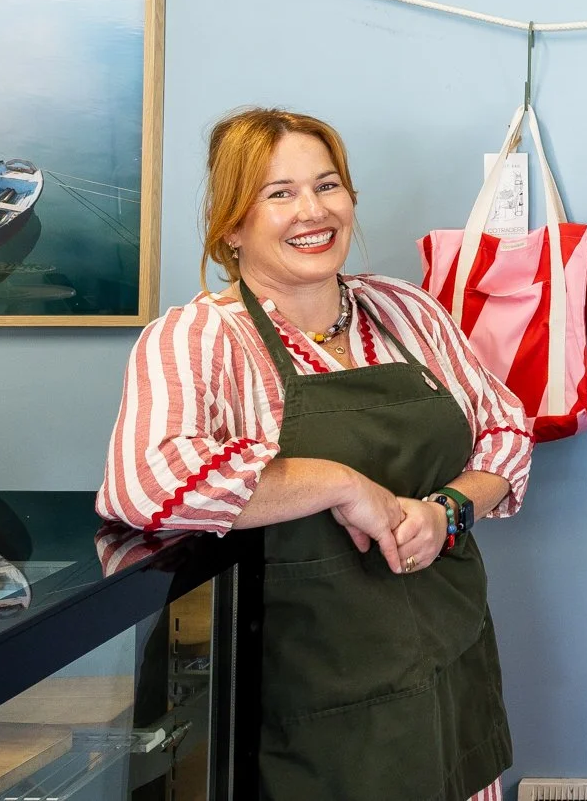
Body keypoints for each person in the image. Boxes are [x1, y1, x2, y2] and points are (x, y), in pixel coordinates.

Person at [98, 109, 533, 801]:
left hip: (442, 674)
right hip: (290, 708)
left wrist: (448, 510)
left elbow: (505, 433)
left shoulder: (407, 312)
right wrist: (336, 483)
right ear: (232, 225)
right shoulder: (199, 338)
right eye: (280, 193)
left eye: (328, 186)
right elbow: (145, 485)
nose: (314, 211)